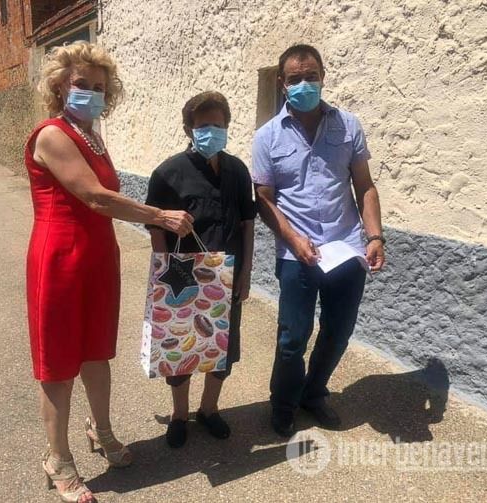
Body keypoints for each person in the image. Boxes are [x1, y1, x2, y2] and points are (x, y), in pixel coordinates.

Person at [25, 41, 193, 503]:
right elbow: (95, 197)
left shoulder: (91, 136)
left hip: (98, 255)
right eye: (83, 84)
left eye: (100, 87)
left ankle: (100, 429)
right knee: (58, 363)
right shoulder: (52, 134)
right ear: (60, 86)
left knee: (97, 353)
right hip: (59, 259)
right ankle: (58, 458)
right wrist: (158, 216)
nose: (93, 93)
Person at [252, 44, 386, 438]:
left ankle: (313, 394)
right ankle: (283, 404)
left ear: (323, 77)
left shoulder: (348, 125)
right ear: (282, 83)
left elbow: (365, 186)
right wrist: (293, 239)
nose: (304, 85)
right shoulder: (267, 137)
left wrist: (375, 236)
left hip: (346, 248)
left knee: (337, 331)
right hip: (297, 254)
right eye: (295, 79)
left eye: (311, 76)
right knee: (293, 337)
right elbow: (264, 199)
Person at [145, 91, 256, 448]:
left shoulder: (237, 171)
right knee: (181, 346)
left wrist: (246, 272)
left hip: (227, 275)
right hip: (183, 277)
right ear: (189, 129)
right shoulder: (168, 173)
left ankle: (209, 409)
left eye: (218, 125)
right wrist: (165, 277)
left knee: (221, 348)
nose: (212, 131)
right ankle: (180, 415)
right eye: (204, 125)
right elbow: (156, 228)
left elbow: (247, 224)